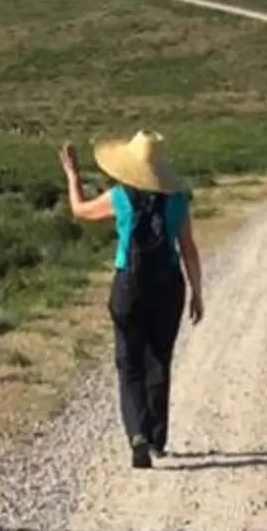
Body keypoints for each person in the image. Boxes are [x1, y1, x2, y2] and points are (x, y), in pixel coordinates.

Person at [59, 129, 204, 468]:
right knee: (160, 360)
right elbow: (189, 249)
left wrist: (72, 176)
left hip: (129, 285)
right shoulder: (179, 199)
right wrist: (198, 292)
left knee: (129, 363)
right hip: (168, 285)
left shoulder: (120, 197)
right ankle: (156, 438)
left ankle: (136, 433)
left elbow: (79, 210)